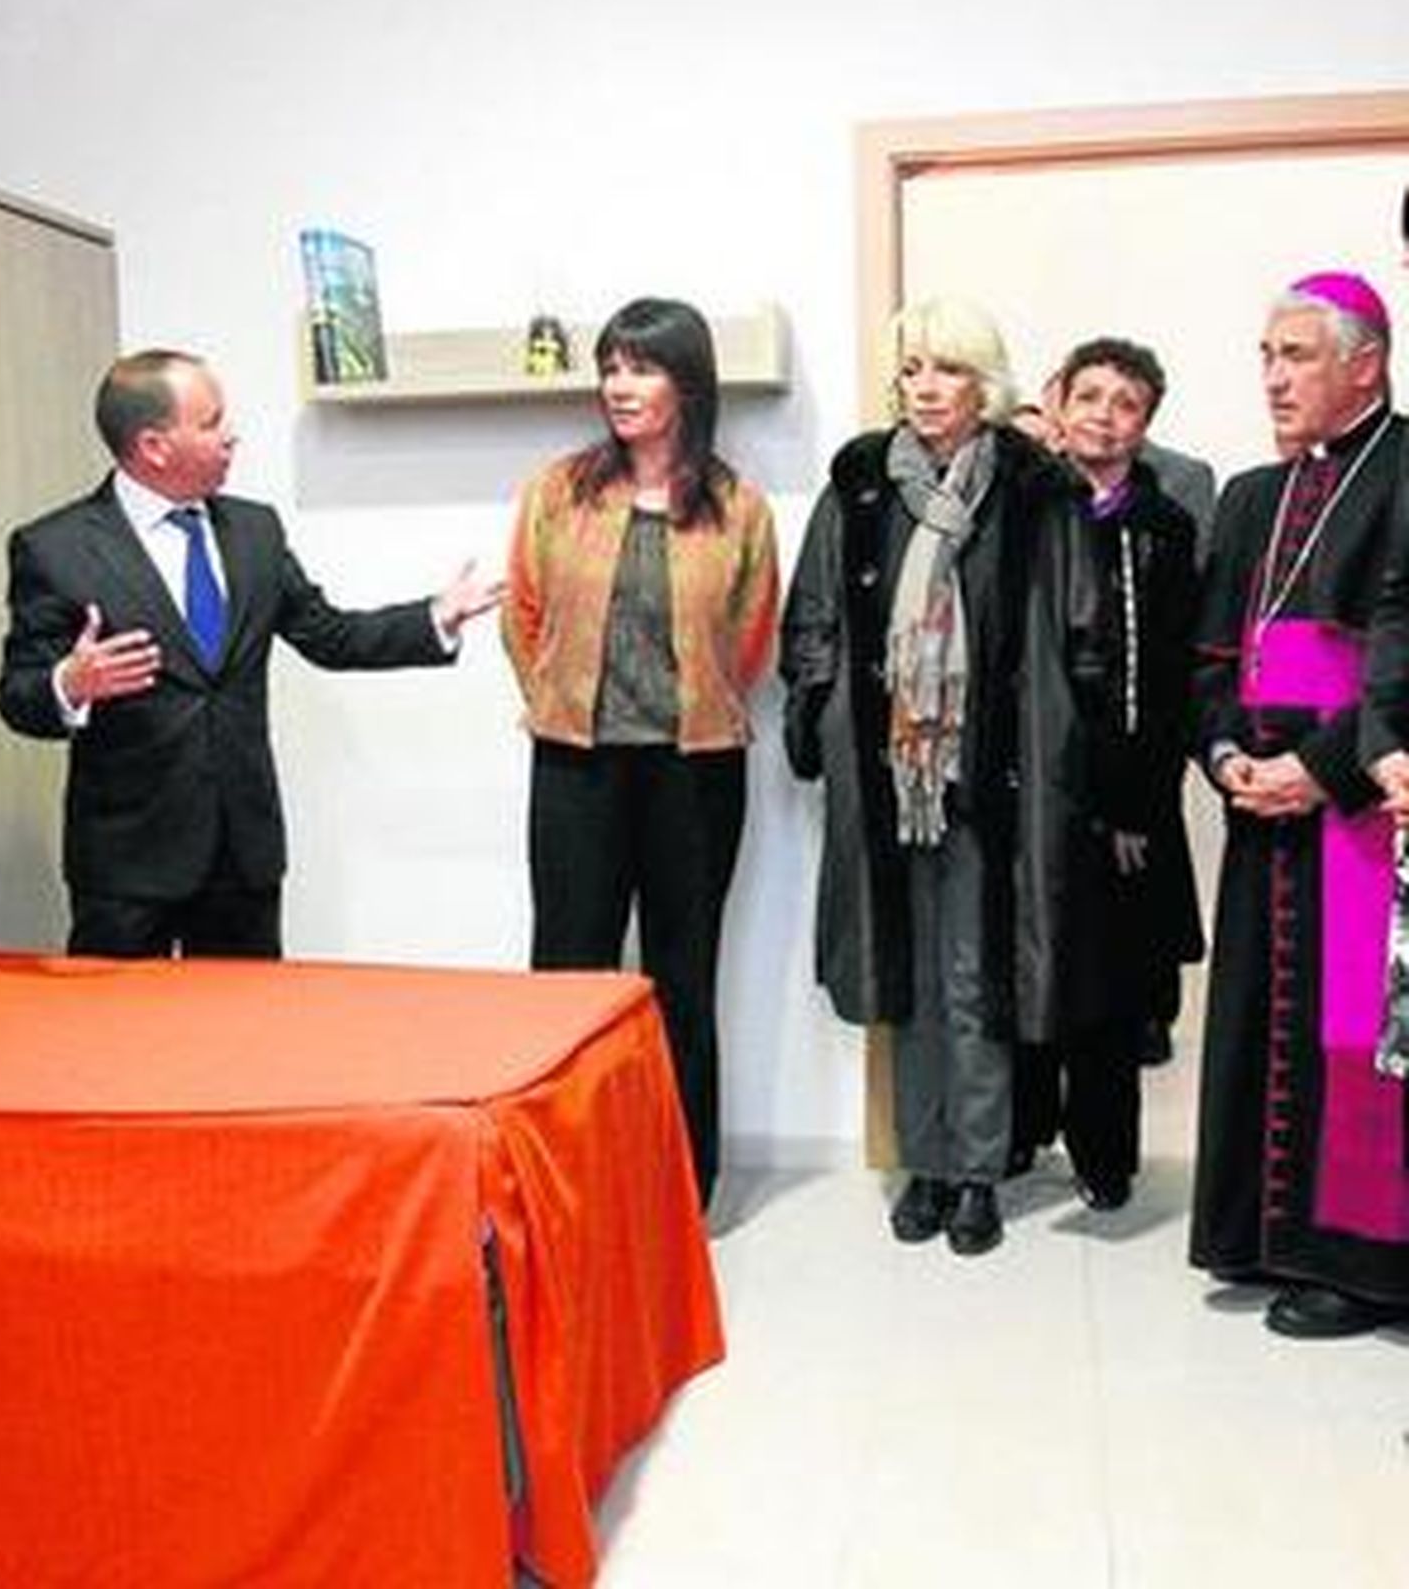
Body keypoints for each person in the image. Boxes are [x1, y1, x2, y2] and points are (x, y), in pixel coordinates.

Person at [780, 297, 1107, 1255]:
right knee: (906, 976)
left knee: (977, 974)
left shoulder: (1032, 487)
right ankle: (921, 1161)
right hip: (888, 771)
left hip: (991, 774)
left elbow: (1073, 630)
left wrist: (1068, 754)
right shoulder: (860, 481)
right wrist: (817, 714)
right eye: (913, 366)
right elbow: (815, 617)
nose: (927, 386)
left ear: (986, 384)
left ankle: (977, 1170)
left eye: (948, 368)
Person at [0, 348, 502, 960]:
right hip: (129, 863)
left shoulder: (255, 532)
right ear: (154, 445)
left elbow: (329, 635)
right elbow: (19, 697)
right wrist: (70, 684)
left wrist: (434, 617)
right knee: (121, 1047)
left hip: (243, 856)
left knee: (246, 1044)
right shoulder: (56, 548)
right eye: (211, 423)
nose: (231, 434)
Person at [500, 297, 780, 1209]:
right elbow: (525, 615)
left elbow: (749, 636)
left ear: (687, 383)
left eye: (641, 367)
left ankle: (683, 1185)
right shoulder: (558, 489)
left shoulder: (737, 506)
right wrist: (560, 699)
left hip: (695, 770)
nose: (620, 386)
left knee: (680, 977)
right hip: (576, 766)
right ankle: (564, 1181)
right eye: (611, 367)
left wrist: (693, 706)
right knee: (568, 973)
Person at [1189, 271, 1409, 1338]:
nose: (1272, 377)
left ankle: (1361, 1267)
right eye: (1265, 356)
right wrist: (1227, 752)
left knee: (1357, 1038)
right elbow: (1210, 661)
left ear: (1363, 361)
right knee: (1259, 1021)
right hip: (1262, 811)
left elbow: (1399, 668)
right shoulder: (1246, 496)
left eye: (1296, 355)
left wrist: (1320, 769)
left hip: (1366, 809)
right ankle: (1257, 1233)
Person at [1012, 337, 1204, 1207]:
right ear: (1059, 404)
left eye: (1124, 403)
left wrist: (1138, 802)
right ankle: (1019, 1132)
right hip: (1033, 774)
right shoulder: (1022, 506)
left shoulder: (1164, 528)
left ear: (1145, 424)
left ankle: (1104, 1156)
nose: (1102, 414)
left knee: (1113, 980)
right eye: (1088, 395)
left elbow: (1167, 677)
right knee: (1029, 957)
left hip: (1125, 777)